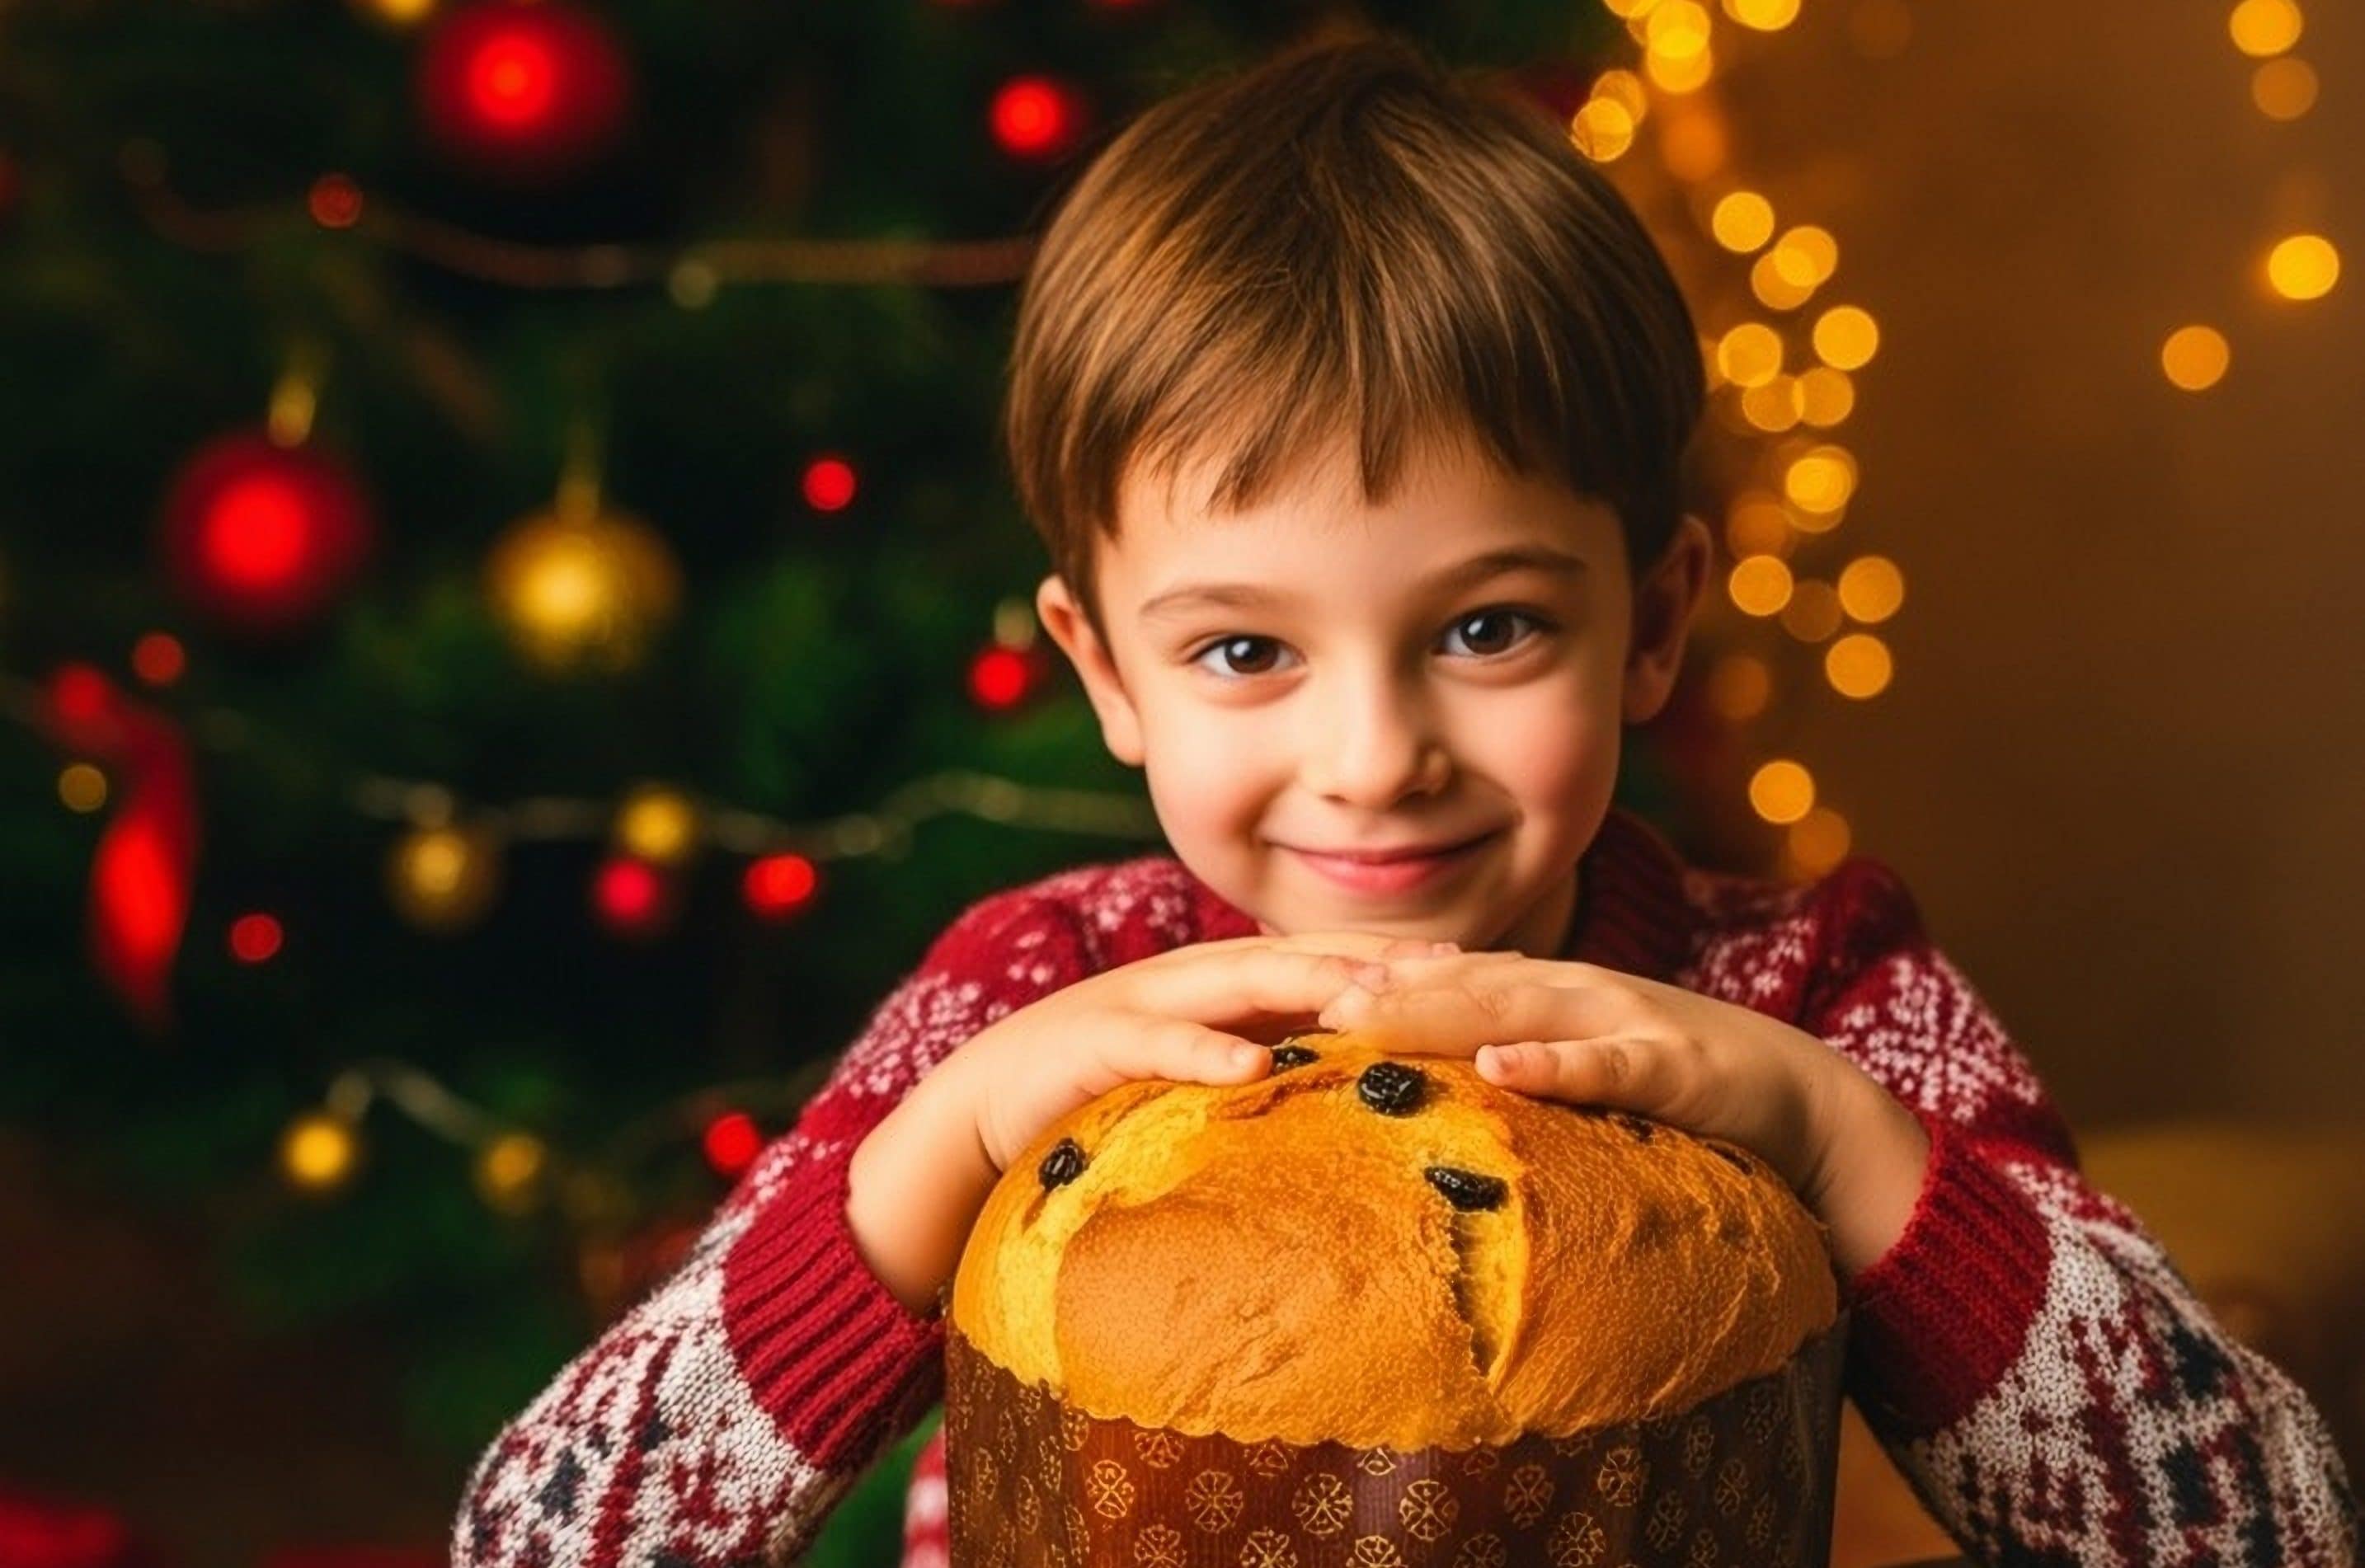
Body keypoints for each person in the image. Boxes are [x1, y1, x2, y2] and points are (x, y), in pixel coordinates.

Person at [451, 30, 2358, 1568]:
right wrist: (928, 1162)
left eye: (1487, 628)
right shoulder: (1025, 1002)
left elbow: (2261, 1528)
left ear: (1653, 624)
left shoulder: (1821, 997)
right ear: (1104, 671)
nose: (1375, 757)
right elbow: (542, 1534)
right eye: (1243, 650)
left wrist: (1837, 1142)